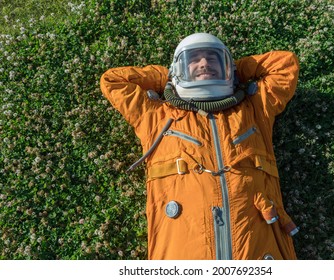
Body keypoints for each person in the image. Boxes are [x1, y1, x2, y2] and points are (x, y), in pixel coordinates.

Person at [100, 33, 300, 260]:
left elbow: (285, 65)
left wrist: (236, 70)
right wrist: (167, 77)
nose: (204, 63)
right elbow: (113, 80)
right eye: (194, 60)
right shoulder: (155, 117)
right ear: (179, 67)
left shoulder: (255, 111)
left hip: (257, 251)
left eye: (213, 59)